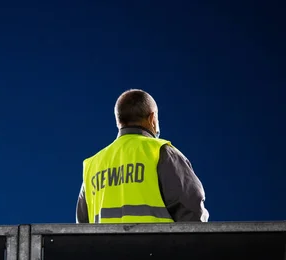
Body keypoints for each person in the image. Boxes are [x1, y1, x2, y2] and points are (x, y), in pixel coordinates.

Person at [76, 89, 209, 223]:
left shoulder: (93, 164)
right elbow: (191, 211)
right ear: (152, 118)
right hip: (157, 244)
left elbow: (82, 228)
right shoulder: (161, 152)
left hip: (104, 245)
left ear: (118, 122)